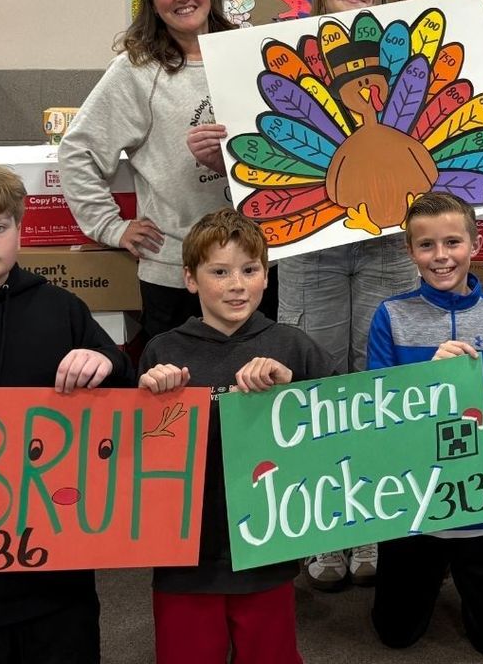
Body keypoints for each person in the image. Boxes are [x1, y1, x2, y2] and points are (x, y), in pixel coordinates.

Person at [192, 0, 483, 589]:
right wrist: (218, 149)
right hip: (307, 247)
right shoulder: (269, 58)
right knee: (314, 385)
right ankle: (321, 525)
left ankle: (372, 520)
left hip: (391, 244)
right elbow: (257, 145)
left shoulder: (407, 53)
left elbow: (452, 126)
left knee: (382, 390)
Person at [0, 162, 133, 664]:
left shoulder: (60, 309)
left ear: (18, 231)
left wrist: (105, 359)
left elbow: (124, 382)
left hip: (55, 578)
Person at [137, 208, 333, 664]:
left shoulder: (293, 345)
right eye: (219, 272)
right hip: (185, 553)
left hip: (266, 546)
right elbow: (132, 452)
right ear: (190, 279)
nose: (237, 284)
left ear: (267, 275)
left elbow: (343, 421)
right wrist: (151, 396)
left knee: (271, 655)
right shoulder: (163, 350)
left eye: (249, 270)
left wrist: (295, 388)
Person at [366, 192, 483, 656]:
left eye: (453, 242)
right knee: (393, 633)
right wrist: (425, 380)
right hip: (413, 499)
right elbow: (375, 410)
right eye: (426, 246)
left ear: (476, 244)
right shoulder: (390, 315)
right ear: (410, 251)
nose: (441, 257)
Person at [59, 0, 246, 340]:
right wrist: (111, 226)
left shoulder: (246, 53)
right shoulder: (137, 70)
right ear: (152, 3)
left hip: (253, 264)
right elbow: (78, 151)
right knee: (178, 393)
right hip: (177, 270)